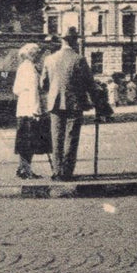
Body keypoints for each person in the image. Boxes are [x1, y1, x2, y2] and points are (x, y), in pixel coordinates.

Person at [41, 28, 97, 180]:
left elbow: (43, 84)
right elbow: (90, 83)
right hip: (75, 103)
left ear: (62, 40)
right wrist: (95, 100)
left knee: (56, 137)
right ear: (74, 40)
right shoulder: (79, 59)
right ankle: (66, 172)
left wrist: (53, 91)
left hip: (54, 103)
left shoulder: (49, 59)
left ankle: (57, 171)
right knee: (71, 137)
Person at [12, 43, 44, 178]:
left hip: (22, 107)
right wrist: (36, 109)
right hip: (30, 109)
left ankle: (22, 168)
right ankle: (26, 170)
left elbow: (15, 89)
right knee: (29, 142)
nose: (39, 57)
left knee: (23, 140)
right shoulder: (30, 68)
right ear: (33, 54)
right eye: (38, 54)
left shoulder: (22, 67)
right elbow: (34, 91)